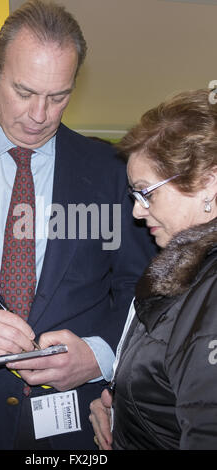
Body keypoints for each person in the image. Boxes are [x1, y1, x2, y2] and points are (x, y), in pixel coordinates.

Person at [0, 0, 155, 450]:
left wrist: (100, 355)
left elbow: (141, 285)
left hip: (82, 421)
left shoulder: (111, 170)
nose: (40, 115)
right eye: (24, 92)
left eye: (58, 96)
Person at [89, 88, 217, 450]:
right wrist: (127, 413)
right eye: (135, 196)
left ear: (209, 182)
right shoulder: (186, 271)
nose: (137, 212)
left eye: (147, 193)